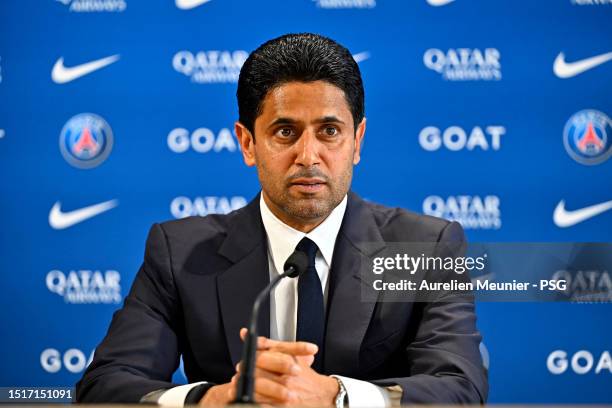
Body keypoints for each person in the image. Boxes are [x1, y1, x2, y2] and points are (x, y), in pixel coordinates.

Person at [75, 33, 488, 406]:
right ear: (247, 143)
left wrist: (336, 395)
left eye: (329, 131)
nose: (308, 157)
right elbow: (105, 385)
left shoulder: (426, 247)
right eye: (286, 133)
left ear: (357, 141)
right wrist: (210, 401)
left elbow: (460, 386)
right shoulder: (179, 252)